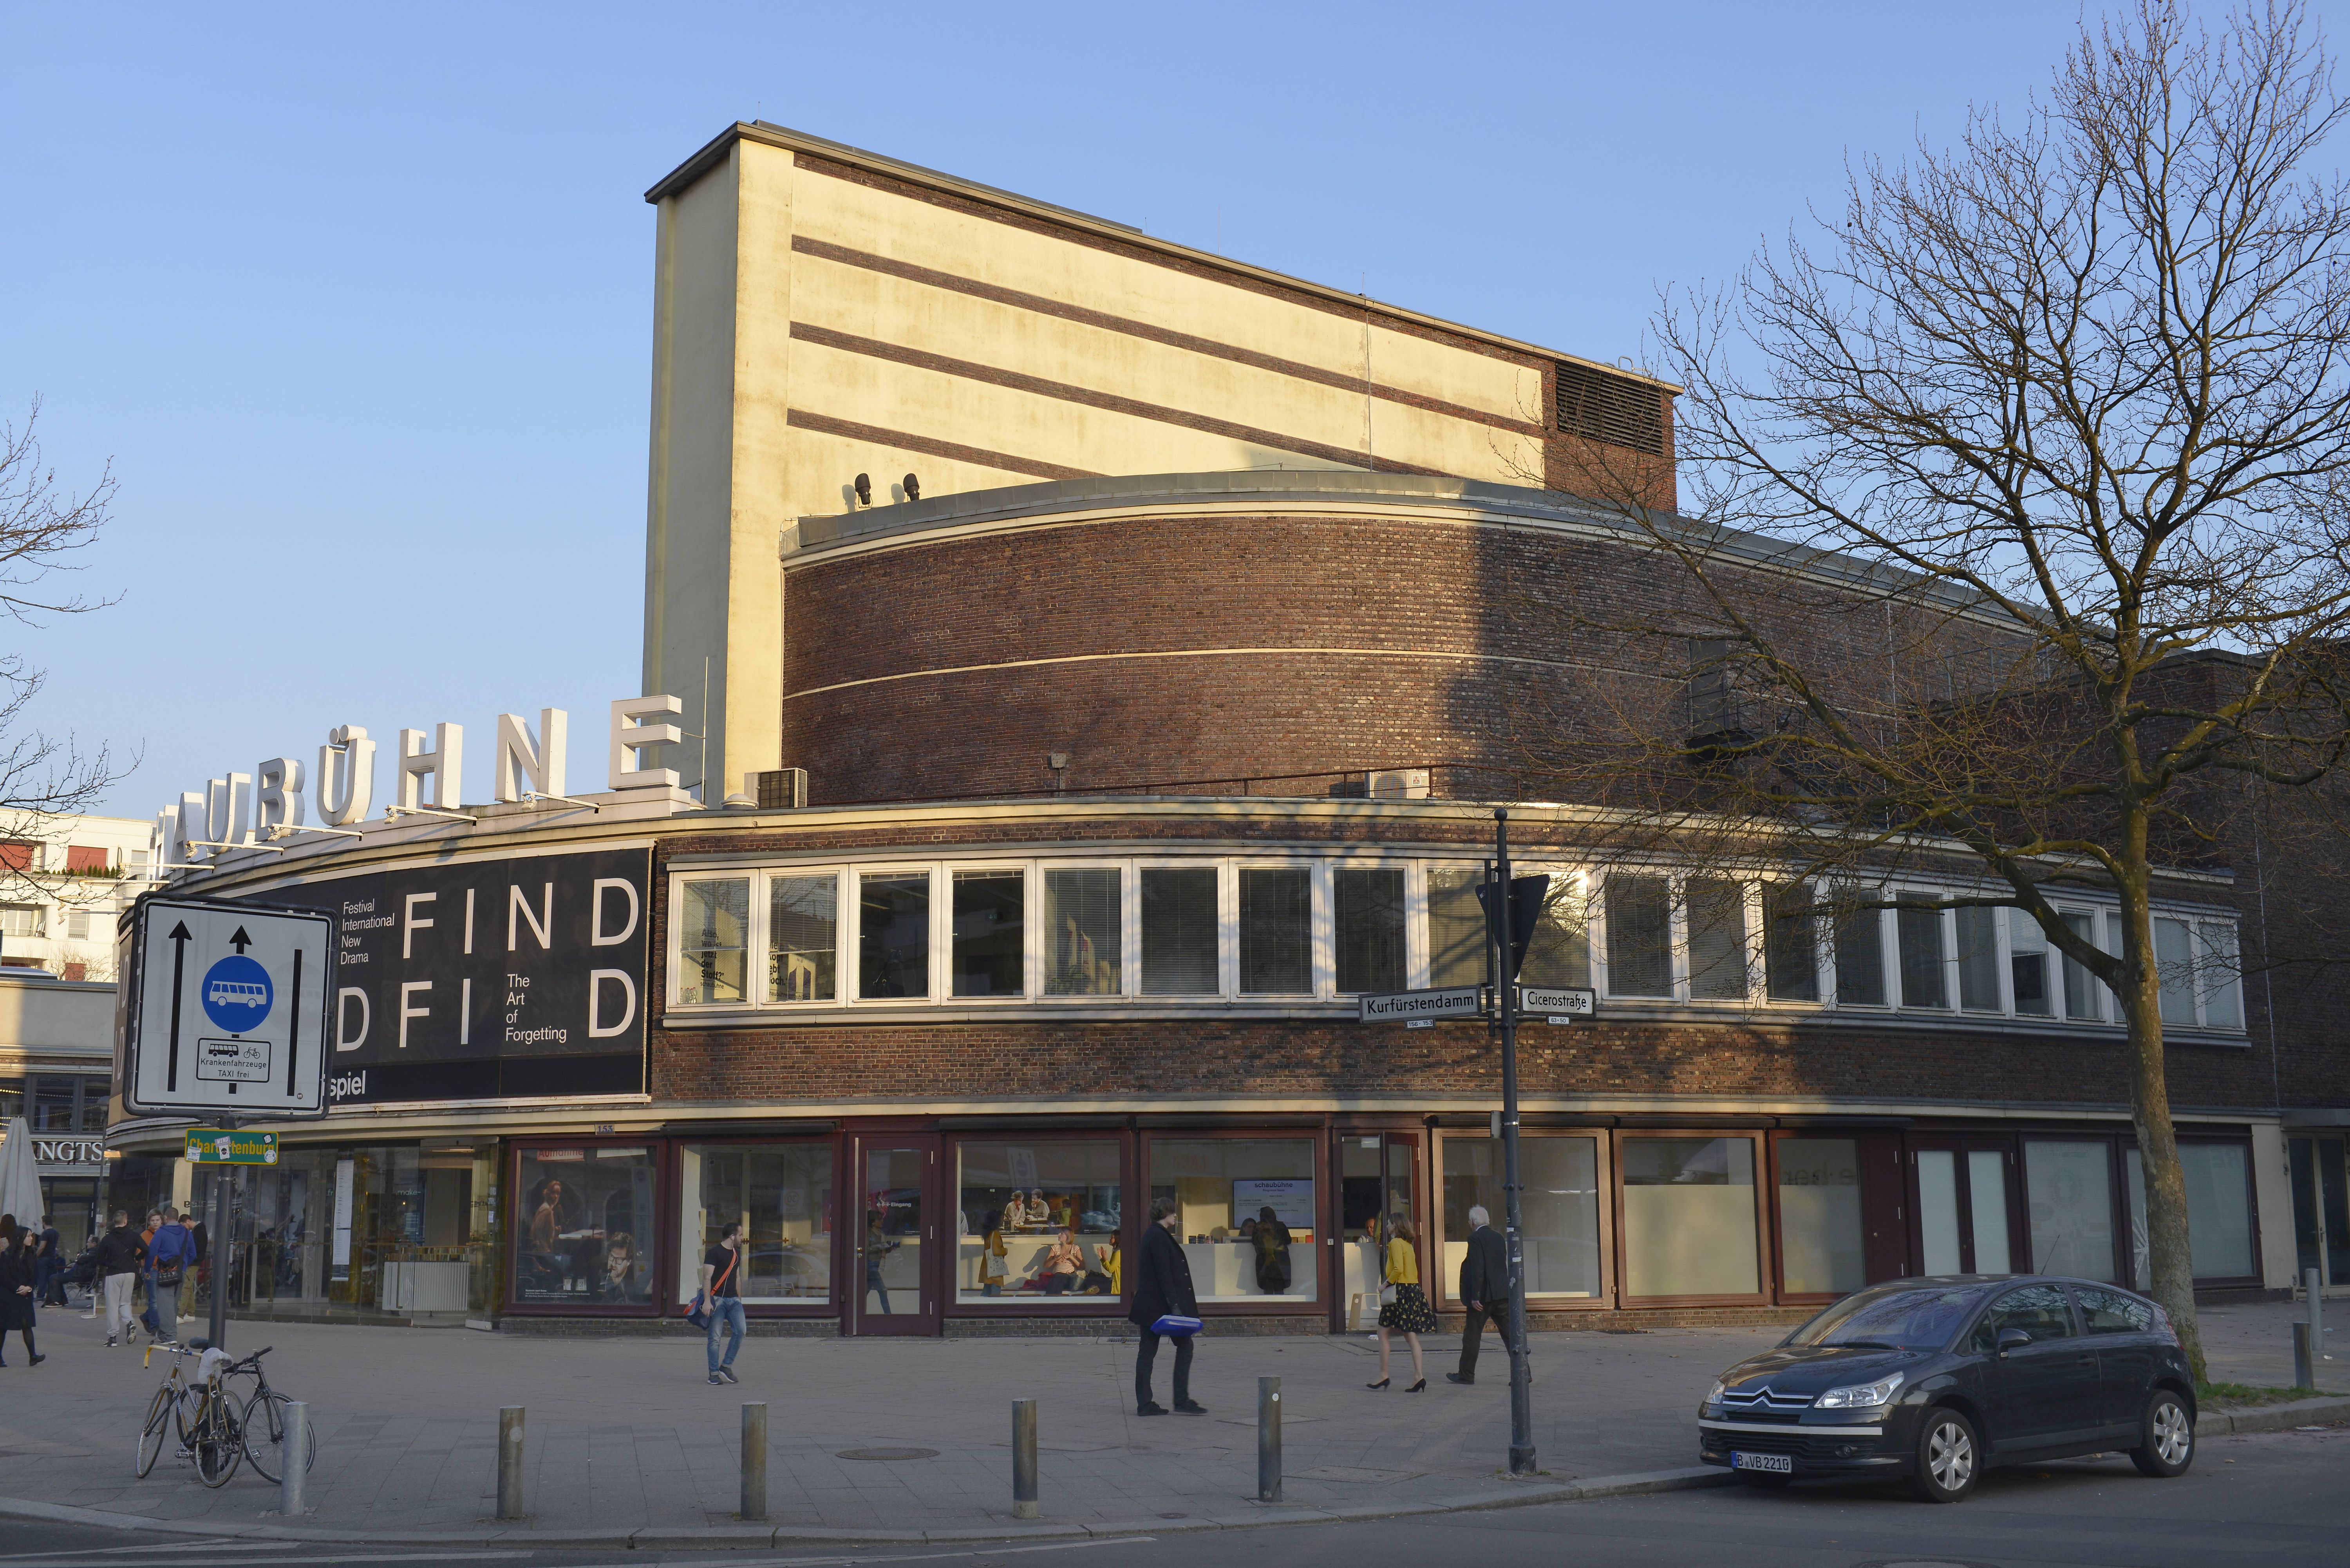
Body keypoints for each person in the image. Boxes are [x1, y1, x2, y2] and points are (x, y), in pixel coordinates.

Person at [1129, 1199, 1204, 1416]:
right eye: (1173, 1213)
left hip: (1151, 1306)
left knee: (1148, 1352)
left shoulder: (1153, 1235)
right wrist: (1175, 1305)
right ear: (1165, 1214)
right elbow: (1165, 1275)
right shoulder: (1159, 1237)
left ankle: (1147, 1403)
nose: (1175, 1216)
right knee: (1182, 1347)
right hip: (1160, 1307)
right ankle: (1179, 1400)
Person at [1447, 1204, 1510, 1386]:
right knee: (1510, 1335)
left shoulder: (1475, 1238)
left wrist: (1475, 1295)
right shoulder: (1499, 1237)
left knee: (1472, 1336)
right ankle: (1524, 1372)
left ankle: (1466, 1374)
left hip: (1482, 1298)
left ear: (1473, 1222)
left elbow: (1477, 1267)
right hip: (1501, 1294)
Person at [1368, 1215, 1432, 1392]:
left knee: (1382, 1332)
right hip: (1413, 1290)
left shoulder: (1395, 1243)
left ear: (1395, 1226)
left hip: (1400, 1291)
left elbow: (1398, 1269)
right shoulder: (1408, 1244)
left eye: (1388, 1224)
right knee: (1411, 1336)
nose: (1387, 1226)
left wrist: (1384, 1285)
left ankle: (1384, 1375)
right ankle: (1419, 1376)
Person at [698, 1219, 745, 1386]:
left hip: (734, 1301)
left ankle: (726, 1366)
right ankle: (713, 1374)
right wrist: (707, 1301)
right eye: (740, 1235)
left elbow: (738, 1277)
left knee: (741, 1331)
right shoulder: (714, 1253)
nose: (742, 1238)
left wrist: (739, 1300)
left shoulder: (736, 1255)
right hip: (717, 1301)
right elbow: (707, 1278)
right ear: (732, 1236)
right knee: (715, 1338)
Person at [94, 1210, 143, 1348]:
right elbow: (146, 1249)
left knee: (112, 1305)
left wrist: (110, 1264)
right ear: (126, 1221)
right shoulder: (134, 1236)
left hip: (114, 1273)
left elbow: (99, 1259)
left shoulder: (108, 1239)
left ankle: (113, 1337)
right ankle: (130, 1322)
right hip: (130, 1273)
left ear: (114, 1222)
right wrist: (136, 1259)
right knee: (125, 1302)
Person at [147, 1208, 195, 1346]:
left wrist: (147, 1269)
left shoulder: (161, 1233)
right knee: (173, 1303)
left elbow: (152, 1253)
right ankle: (165, 1333)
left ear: (166, 1218)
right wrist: (184, 1266)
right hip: (181, 1272)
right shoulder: (187, 1233)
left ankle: (169, 1335)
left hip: (165, 1272)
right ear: (178, 1218)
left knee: (165, 1304)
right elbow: (193, 1254)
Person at [0, 1225, 38, 1367]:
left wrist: (29, 1287)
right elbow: (3, 1276)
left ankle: (33, 1356)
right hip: (8, 1296)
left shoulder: (32, 1254)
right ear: (20, 1237)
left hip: (25, 1295)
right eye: (28, 1236)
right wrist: (18, 1287)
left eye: (31, 1236)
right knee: (3, 1327)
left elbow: (36, 1275)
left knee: (27, 1324)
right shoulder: (7, 1255)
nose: (31, 1238)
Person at [1251, 1205, 1292, 1295]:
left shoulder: (1259, 1227)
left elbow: (1254, 1242)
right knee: (1279, 1287)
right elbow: (1289, 1240)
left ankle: (1268, 1304)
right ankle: (1280, 1304)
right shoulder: (1281, 1226)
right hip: (1280, 1260)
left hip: (1264, 1261)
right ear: (1274, 1215)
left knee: (1267, 1287)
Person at [864, 1210, 897, 1314]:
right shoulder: (868, 1233)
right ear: (873, 1222)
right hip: (870, 1264)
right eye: (880, 1220)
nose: (882, 1221)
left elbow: (883, 1250)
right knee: (883, 1291)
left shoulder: (881, 1234)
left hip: (877, 1264)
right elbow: (865, 1249)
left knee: (865, 1292)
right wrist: (880, 1247)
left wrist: (890, 1248)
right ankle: (888, 1317)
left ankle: (856, 1313)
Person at [1039, 1228, 1082, 1294]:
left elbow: (1082, 1267)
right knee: (1058, 1281)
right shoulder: (1055, 1247)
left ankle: (1049, 1299)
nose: (1059, 1235)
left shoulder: (1075, 1248)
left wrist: (1072, 1257)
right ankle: (1055, 1299)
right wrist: (1056, 1259)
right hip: (1057, 1277)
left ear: (1068, 1236)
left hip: (1070, 1277)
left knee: (1058, 1278)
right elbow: (1046, 1266)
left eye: (1062, 1233)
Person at [979, 1211, 1009, 1297]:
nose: (1003, 1220)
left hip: (987, 1268)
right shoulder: (995, 1233)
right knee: (995, 1293)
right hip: (995, 1270)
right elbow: (996, 1251)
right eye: (1002, 1218)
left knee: (986, 1292)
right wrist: (1005, 1251)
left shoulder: (988, 1233)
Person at [33, 1216, 61, 1306]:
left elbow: (42, 1247)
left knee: (42, 1277)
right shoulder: (56, 1232)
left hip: (44, 1258)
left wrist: (35, 1256)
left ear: (44, 1223)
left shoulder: (45, 1233)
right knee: (51, 1278)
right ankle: (51, 1295)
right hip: (52, 1258)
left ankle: (40, 1296)